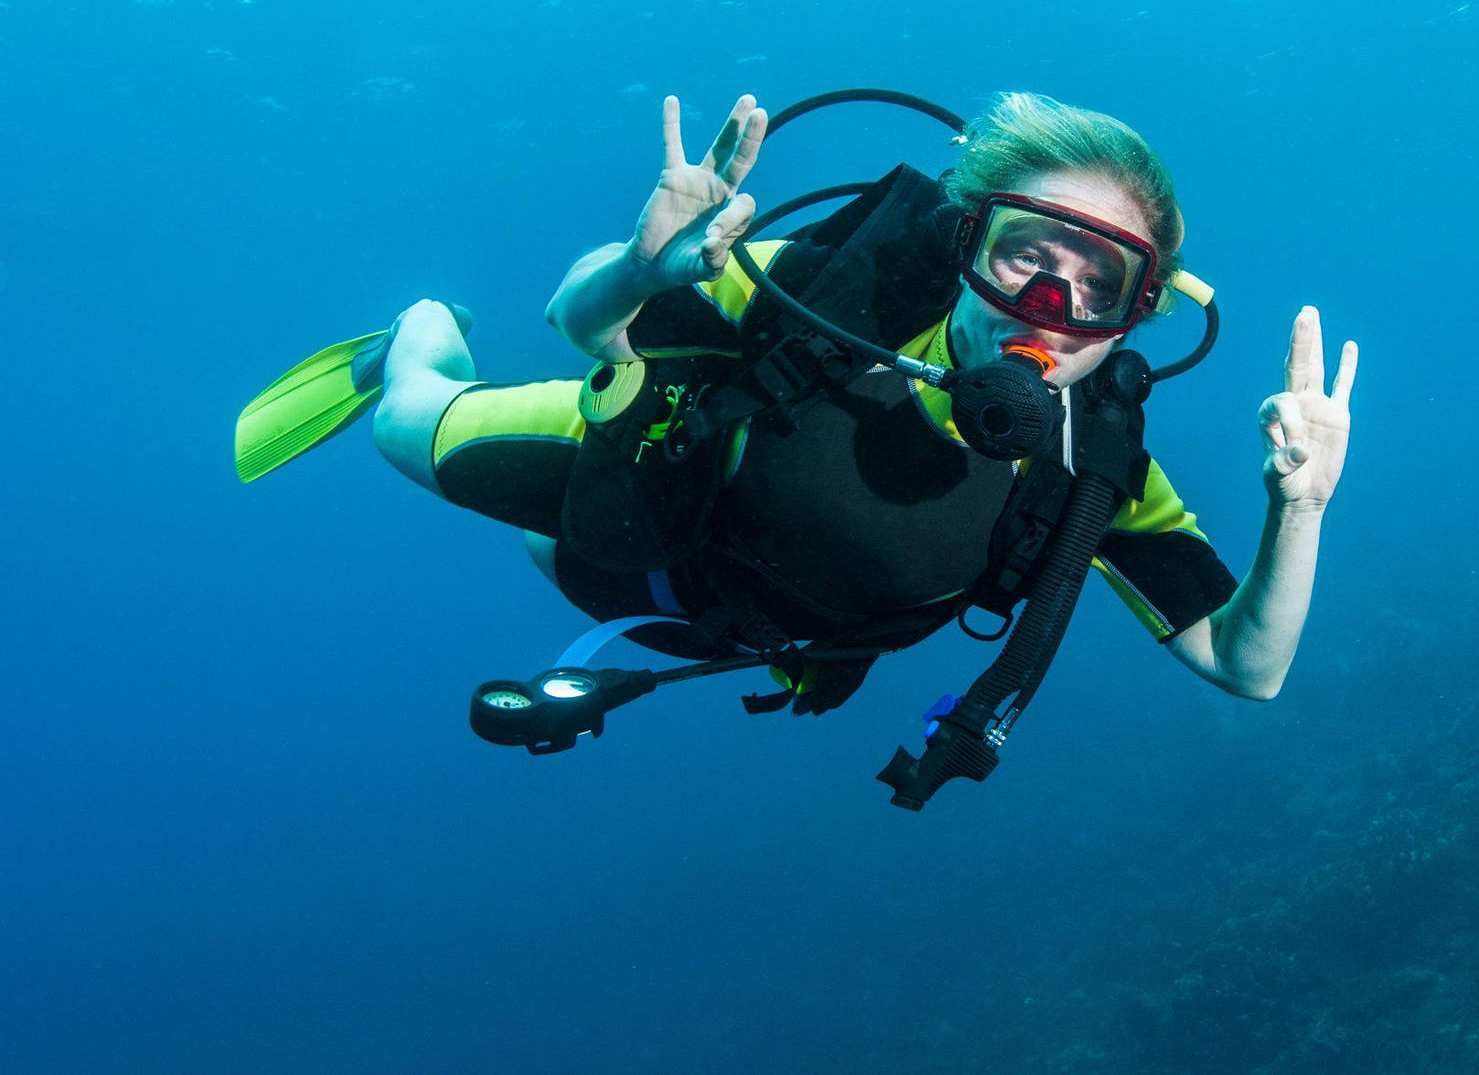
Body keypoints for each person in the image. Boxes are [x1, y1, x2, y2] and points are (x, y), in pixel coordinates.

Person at [239, 90, 1357, 720]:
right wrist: (642, 268)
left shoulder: (1095, 468)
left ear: (1139, 313)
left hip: (725, 624)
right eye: (1025, 256)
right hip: (605, 493)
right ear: (967, 244)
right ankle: (416, 330)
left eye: (1098, 281)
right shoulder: (845, 292)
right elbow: (579, 325)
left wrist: (1297, 509)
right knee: (403, 421)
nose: (1051, 304)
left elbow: (1246, 667)